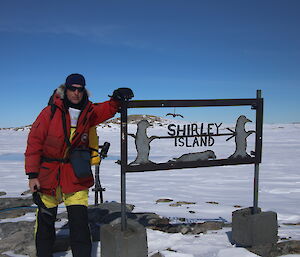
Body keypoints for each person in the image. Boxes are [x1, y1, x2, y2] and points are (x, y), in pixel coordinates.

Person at [24, 73, 133, 257]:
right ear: (65, 90)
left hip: (75, 175)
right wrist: (32, 175)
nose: (76, 93)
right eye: (72, 89)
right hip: (48, 176)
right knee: (45, 224)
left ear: (83, 91)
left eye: (79, 89)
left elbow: (106, 109)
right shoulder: (50, 112)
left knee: (79, 224)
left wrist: (116, 99)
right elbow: (34, 143)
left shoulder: (88, 112)